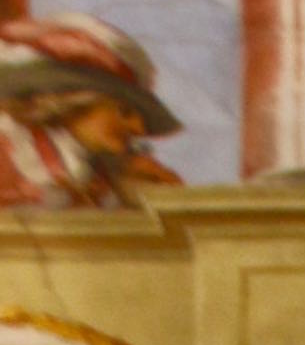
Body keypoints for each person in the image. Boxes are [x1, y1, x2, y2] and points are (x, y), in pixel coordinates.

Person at [0, 18, 180, 207]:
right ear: (74, 102)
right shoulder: (10, 146)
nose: (139, 128)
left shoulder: (104, 172)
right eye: (124, 112)